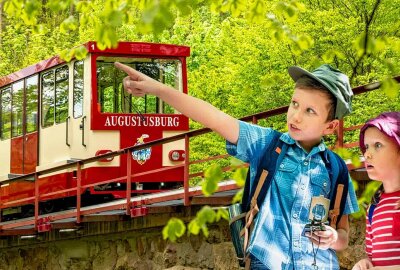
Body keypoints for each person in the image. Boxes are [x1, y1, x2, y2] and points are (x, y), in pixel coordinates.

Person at [115, 62, 359, 269]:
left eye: (309, 111)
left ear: (331, 127)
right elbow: (213, 117)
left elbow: (344, 235)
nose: (295, 116)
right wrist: (157, 88)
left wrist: (334, 238)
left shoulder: (335, 169)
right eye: (294, 104)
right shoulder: (266, 145)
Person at [352, 112, 400, 270]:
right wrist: (364, 263)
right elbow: (371, 257)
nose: (366, 154)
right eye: (366, 147)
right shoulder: (373, 208)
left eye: (377, 145)